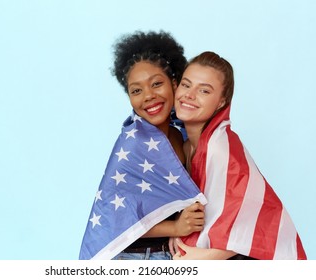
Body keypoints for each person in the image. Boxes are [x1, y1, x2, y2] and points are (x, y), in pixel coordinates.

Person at [79, 31, 206, 260]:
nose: (148, 96)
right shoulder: (133, 144)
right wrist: (176, 228)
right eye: (136, 90)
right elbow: (117, 220)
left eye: (156, 84)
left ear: (174, 84)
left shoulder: (179, 135)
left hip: (169, 254)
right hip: (135, 257)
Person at [172, 51, 307, 259]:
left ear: (221, 102)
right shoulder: (185, 144)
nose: (189, 95)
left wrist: (205, 258)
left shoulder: (220, 148)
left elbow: (246, 221)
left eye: (204, 91)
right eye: (186, 84)